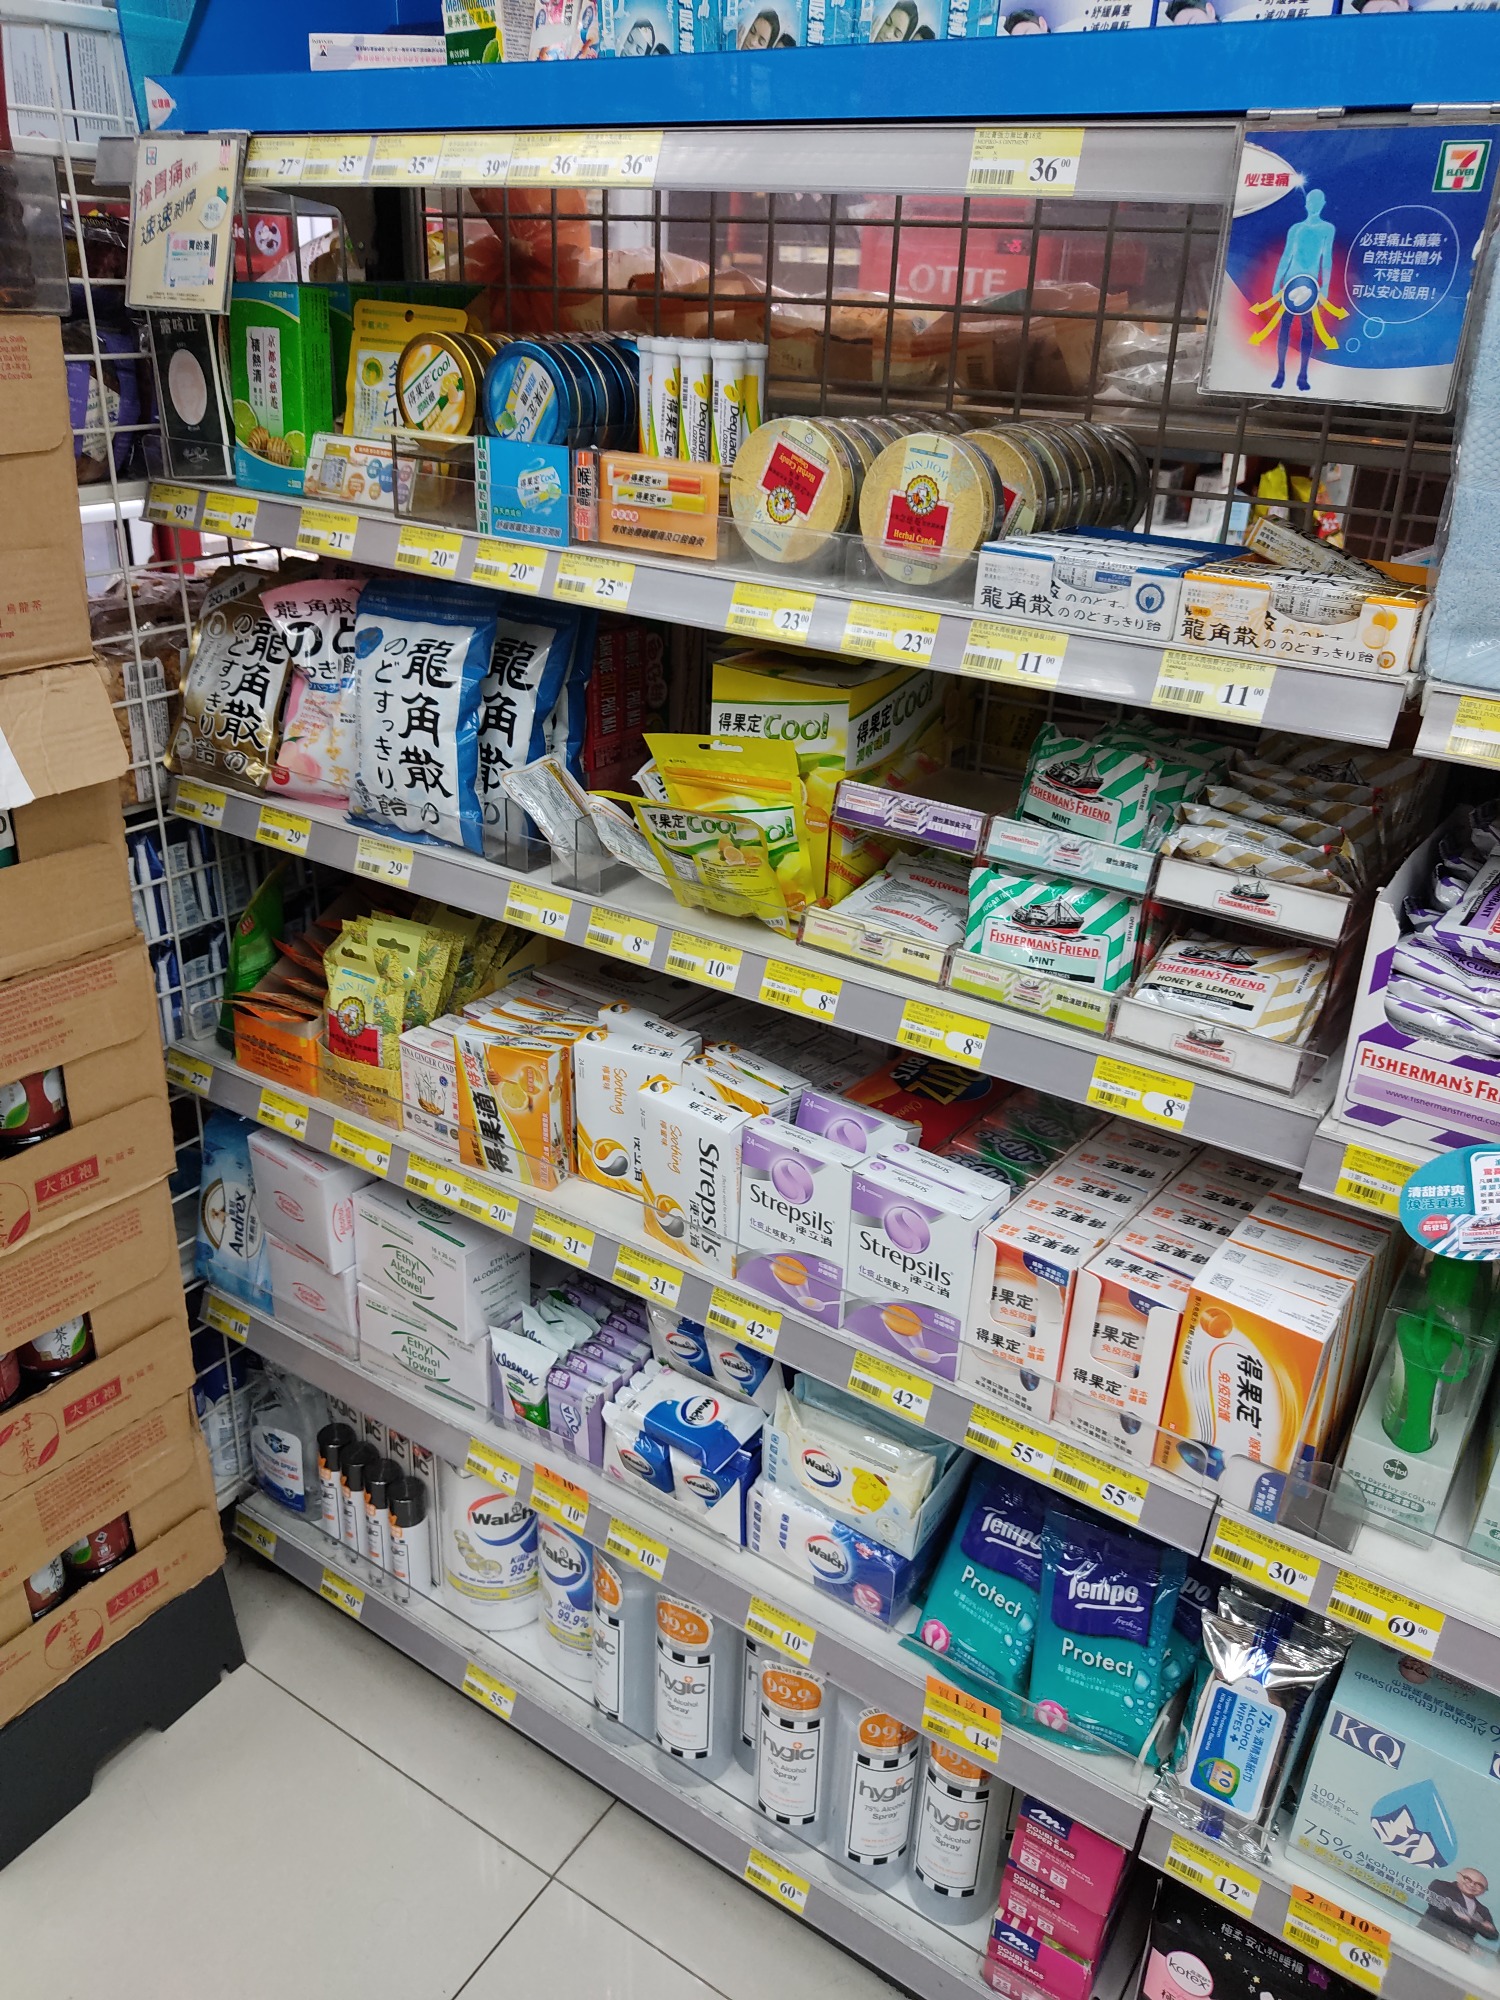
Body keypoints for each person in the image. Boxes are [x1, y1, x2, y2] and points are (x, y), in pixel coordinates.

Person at [1254, 187, 1338, 393]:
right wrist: (1277, 283)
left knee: (1307, 329)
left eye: (1317, 202)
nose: (1314, 205)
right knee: (1285, 327)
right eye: (1311, 201)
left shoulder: (1327, 229)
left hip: (1310, 285)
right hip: (1291, 282)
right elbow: (1286, 256)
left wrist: (1325, 286)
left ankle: (1303, 374)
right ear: (1306, 204)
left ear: (1323, 204)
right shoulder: (1296, 229)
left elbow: (1326, 258)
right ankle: (1280, 372)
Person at [1424, 1869, 1499, 1948]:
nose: (1472, 1885)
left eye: (1479, 1885)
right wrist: (1480, 1925)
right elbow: (1443, 1912)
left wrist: (1470, 1920)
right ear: (1458, 1876)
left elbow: (1493, 1935)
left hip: (1459, 1950)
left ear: (1483, 1891)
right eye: (1468, 1879)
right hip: (1428, 1939)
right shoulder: (1441, 1886)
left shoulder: (1483, 1910)